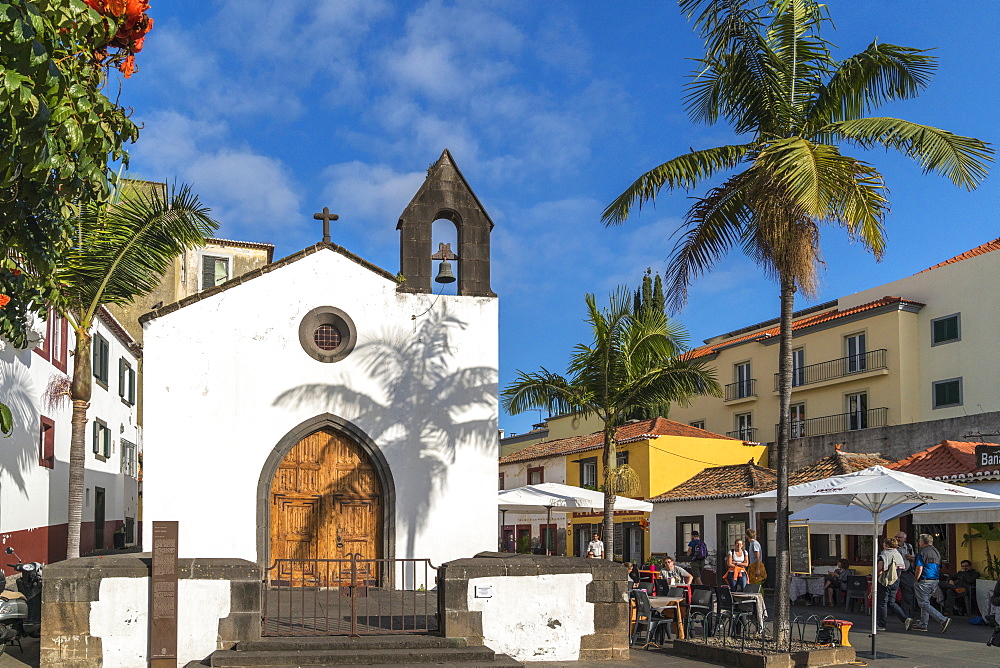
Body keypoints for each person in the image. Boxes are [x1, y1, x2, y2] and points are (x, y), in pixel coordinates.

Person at [913, 533, 950, 633]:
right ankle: (923, 624)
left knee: (923, 603)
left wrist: (915, 579)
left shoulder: (922, 552)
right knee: (926, 602)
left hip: (924, 580)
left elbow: (919, 567)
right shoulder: (936, 552)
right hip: (934, 580)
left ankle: (942, 619)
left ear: (922, 542)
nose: (919, 543)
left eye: (919, 541)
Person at [876, 537, 910, 630]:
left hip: (885, 580)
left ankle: (881, 624)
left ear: (886, 545)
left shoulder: (884, 554)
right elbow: (902, 568)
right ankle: (905, 618)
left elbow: (880, 568)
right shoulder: (898, 554)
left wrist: (876, 576)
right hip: (896, 580)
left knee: (882, 602)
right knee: (891, 601)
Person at [895, 530, 917, 616]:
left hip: (906, 573)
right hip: (895, 573)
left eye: (899, 537)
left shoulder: (909, 546)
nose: (897, 539)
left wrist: (910, 558)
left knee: (908, 594)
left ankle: (907, 615)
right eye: (896, 537)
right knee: (891, 595)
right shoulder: (892, 546)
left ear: (904, 539)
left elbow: (914, 559)